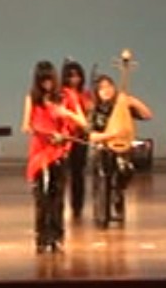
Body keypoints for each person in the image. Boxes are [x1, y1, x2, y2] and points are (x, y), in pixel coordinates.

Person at [22, 60, 87, 253]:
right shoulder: (32, 98)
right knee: (41, 197)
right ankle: (42, 237)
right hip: (39, 152)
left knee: (57, 197)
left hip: (59, 151)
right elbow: (25, 126)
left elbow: (83, 122)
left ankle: (57, 237)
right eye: (43, 81)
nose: (47, 85)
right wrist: (41, 130)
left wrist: (65, 113)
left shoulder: (66, 96)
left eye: (49, 80)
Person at [87, 74, 153, 228]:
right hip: (104, 148)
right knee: (104, 167)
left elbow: (147, 115)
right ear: (97, 92)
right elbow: (91, 136)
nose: (106, 90)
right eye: (102, 88)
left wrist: (133, 102)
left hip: (122, 149)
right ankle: (103, 215)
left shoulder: (122, 105)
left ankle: (118, 191)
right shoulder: (94, 110)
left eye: (109, 86)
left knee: (126, 169)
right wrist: (110, 135)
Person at [61, 60, 94, 220]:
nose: (75, 79)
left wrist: (89, 108)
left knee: (78, 173)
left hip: (80, 137)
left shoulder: (85, 94)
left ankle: (77, 206)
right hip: (66, 137)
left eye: (77, 76)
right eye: (71, 76)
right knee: (62, 173)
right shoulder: (62, 94)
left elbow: (89, 114)